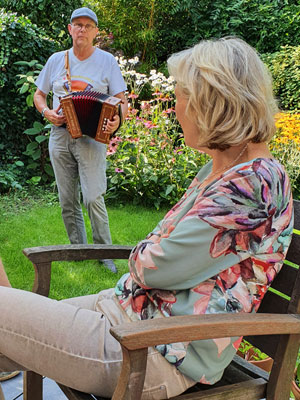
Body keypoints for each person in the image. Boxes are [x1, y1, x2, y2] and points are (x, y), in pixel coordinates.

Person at [0, 37, 293, 398]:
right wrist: (152, 248)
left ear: (211, 102)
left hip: (155, 350)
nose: (177, 106)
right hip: (129, 314)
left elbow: (152, 266)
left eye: (183, 95)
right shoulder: (225, 168)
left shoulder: (253, 185)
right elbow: (161, 248)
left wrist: (148, 250)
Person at [33, 7, 128, 273]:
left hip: (92, 137)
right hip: (60, 136)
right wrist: (46, 112)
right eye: (78, 25)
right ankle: (78, 252)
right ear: (70, 29)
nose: (82, 29)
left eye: (88, 25)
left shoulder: (107, 61)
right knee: (67, 200)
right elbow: (38, 95)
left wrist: (117, 121)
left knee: (93, 197)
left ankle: (105, 254)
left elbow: (122, 103)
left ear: (96, 32)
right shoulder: (56, 60)